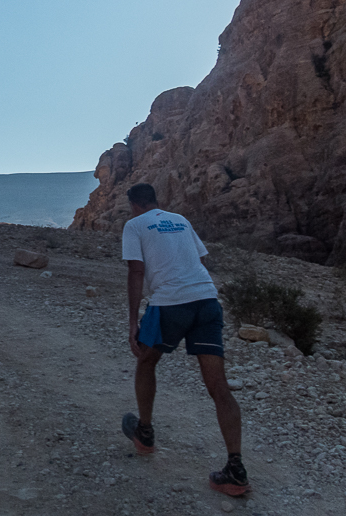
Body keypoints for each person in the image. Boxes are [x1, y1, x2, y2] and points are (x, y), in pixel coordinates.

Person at [120, 182, 248, 497]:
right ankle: (236, 469)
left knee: (146, 361)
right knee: (219, 387)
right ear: (155, 200)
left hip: (169, 306)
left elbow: (136, 272)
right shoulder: (180, 219)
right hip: (207, 301)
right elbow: (199, 260)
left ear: (134, 204)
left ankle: (145, 433)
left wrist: (133, 320)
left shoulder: (134, 225)